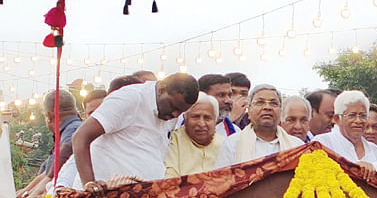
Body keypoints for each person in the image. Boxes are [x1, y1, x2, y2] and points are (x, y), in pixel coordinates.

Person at [71, 73, 199, 191]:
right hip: (102, 197)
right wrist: (89, 183)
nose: (175, 114)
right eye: (173, 106)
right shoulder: (130, 97)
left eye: (181, 111)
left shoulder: (169, 113)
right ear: (161, 90)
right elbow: (80, 137)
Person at [216, 84, 304, 167]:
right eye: (260, 102)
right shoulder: (232, 144)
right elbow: (222, 180)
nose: (267, 107)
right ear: (249, 110)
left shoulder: (297, 146)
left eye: (273, 103)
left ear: (281, 111)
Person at [314, 91, 377, 166]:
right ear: (337, 119)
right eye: (352, 115)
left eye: (363, 116)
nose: (358, 121)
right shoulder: (322, 143)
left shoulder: (374, 150)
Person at [164, 92, 223, 178]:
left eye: (207, 118)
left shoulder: (224, 145)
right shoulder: (172, 141)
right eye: (195, 117)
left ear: (216, 121)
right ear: (185, 117)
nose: (201, 124)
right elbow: (169, 179)